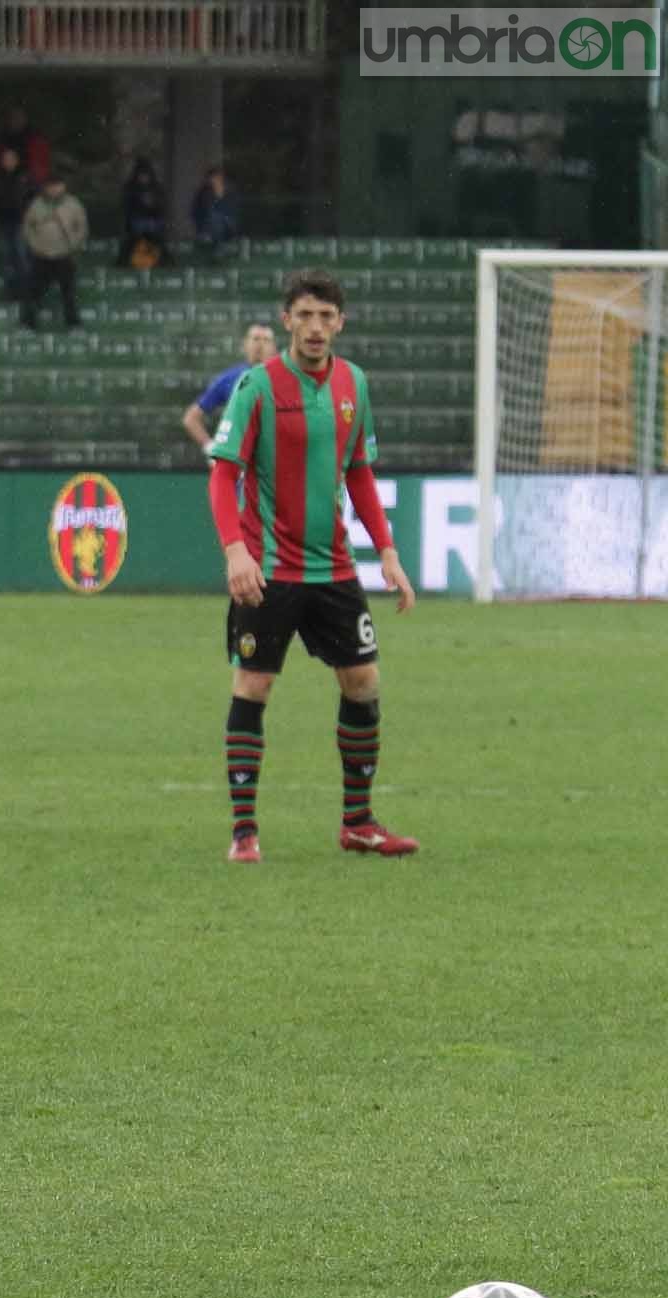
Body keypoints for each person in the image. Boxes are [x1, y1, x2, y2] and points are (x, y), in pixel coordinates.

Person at [207, 270, 418, 865]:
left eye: (327, 316)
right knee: (254, 685)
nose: (316, 327)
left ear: (340, 322)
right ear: (287, 321)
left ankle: (358, 823)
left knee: (364, 682)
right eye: (305, 315)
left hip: (333, 569)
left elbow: (359, 472)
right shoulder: (257, 385)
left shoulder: (354, 383)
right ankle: (244, 833)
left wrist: (389, 553)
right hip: (269, 568)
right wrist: (235, 550)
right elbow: (223, 474)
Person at [181, 323, 276, 453]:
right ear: (245, 344)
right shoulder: (230, 378)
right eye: (255, 339)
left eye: (266, 340)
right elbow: (191, 418)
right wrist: (210, 448)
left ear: (274, 347)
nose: (260, 345)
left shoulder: (287, 378)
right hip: (239, 459)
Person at [19, 164, 85, 329]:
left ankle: (73, 324)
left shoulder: (73, 204)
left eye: (57, 185)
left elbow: (81, 227)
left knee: (68, 293)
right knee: (33, 292)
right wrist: (35, 245)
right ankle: (27, 323)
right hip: (42, 255)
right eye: (51, 185)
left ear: (63, 186)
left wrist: (74, 245)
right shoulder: (37, 205)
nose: (54, 189)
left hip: (64, 254)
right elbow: (28, 227)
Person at [0, 144, 34, 301]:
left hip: (21, 222)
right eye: (5, 159)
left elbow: (33, 199)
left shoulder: (26, 177)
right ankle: (10, 292)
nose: (8, 161)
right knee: (7, 259)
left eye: (11, 158)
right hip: (3, 223)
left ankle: (26, 291)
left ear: (17, 160)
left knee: (22, 257)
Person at [118, 158, 168, 268]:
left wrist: (153, 207)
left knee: (159, 243)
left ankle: (166, 264)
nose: (143, 178)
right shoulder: (130, 188)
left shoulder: (156, 188)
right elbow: (127, 208)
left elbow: (161, 208)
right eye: (141, 175)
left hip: (153, 225)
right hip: (135, 224)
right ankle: (122, 264)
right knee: (130, 243)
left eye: (146, 175)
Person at [192, 165, 242, 261]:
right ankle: (213, 242)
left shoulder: (230, 191)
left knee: (216, 217)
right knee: (213, 217)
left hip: (228, 226)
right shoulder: (203, 192)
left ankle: (219, 246)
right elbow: (196, 212)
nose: (214, 181)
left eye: (217, 178)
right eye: (212, 179)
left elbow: (233, 211)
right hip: (207, 226)